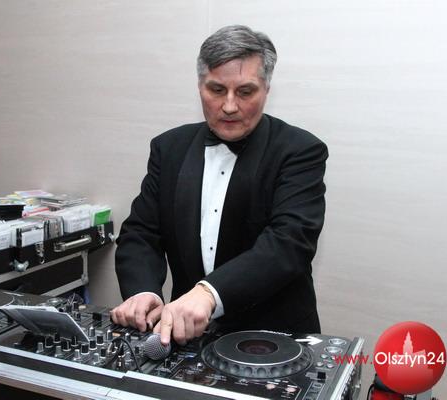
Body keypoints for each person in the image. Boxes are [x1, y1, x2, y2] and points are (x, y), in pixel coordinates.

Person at [111, 25, 328, 347]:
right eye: (216, 90)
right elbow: (141, 232)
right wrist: (143, 290)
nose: (229, 106)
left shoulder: (300, 150)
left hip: (275, 340)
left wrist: (209, 293)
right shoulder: (169, 148)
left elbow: (288, 243)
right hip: (186, 338)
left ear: (266, 89)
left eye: (245, 92)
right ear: (200, 86)